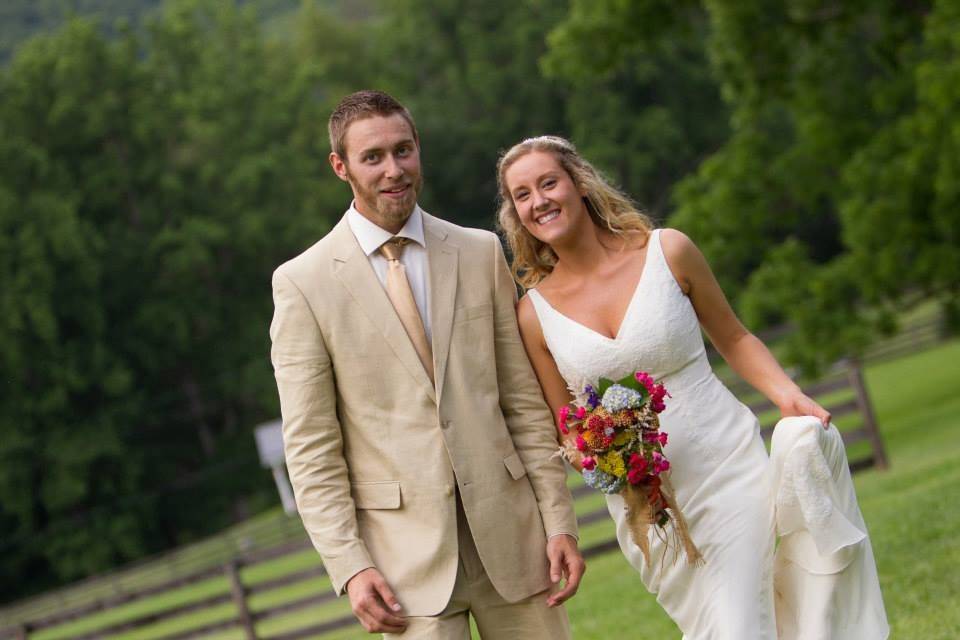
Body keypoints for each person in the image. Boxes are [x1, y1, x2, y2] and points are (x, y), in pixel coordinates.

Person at [497, 135, 888, 639]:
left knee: (736, 627)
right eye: (522, 194)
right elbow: (565, 425)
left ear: (579, 183)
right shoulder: (534, 314)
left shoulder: (667, 251)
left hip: (725, 464)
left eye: (548, 182)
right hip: (646, 509)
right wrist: (599, 450)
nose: (539, 200)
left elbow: (735, 336)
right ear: (515, 213)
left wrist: (787, 395)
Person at [269, 93, 584, 639]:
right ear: (340, 167)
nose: (394, 170)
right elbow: (312, 451)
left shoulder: (479, 251)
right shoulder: (303, 283)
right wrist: (350, 565)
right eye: (374, 157)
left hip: (515, 541)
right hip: (403, 569)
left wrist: (559, 521)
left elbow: (524, 404)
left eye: (404, 150)